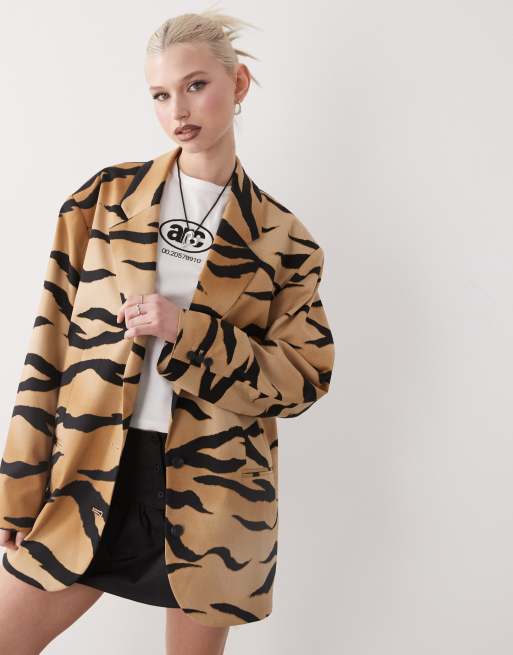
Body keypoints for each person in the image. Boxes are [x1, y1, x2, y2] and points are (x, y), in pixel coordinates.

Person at [0, 7, 335, 655]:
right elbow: (48, 349)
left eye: (195, 85)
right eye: (160, 94)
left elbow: (303, 378)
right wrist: (17, 486)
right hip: (91, 472)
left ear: (238, 84)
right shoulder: (101, 201)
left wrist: (189, 332)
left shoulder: (283, 240)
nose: (177, 109)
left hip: (215, 494)